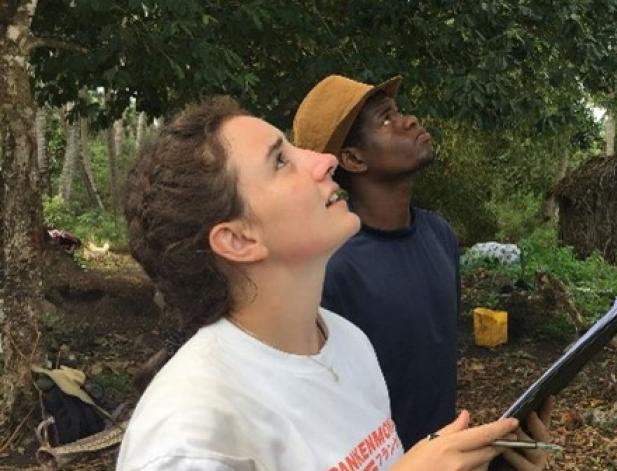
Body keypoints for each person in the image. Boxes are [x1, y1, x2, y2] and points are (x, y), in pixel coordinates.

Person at [116, 97, 547, 471]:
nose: (325, 161)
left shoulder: (347, 344)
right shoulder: (191, 435)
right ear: (238, 239)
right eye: (281, 161)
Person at [292, 75, 551, 466]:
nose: (409, 120)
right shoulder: (331, 267)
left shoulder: (439, 235)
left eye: (399, 111)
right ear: (353, 159)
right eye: (385, 119)